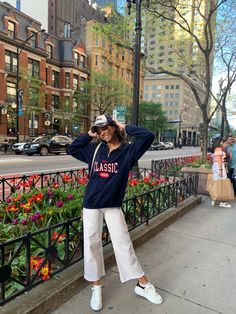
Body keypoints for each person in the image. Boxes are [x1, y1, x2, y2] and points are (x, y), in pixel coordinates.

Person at [68, 114, 163, 311]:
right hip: (92, 204)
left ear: (113, 126)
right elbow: (72, 148)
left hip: (112, 206)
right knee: (92, 245)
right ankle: (96, 286)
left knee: (123, 244)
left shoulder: (128, 151)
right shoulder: (94, 149)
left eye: (106, 127)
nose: (103, 132)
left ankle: (143, 284)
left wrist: (124, 126)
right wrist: (88, 134)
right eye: (99, 129)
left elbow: (148, 136)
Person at [211, 136, 231, 208]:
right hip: (219, 166)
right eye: (222, 141)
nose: (223, 143)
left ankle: (214, 200)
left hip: (215, 166)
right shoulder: (219, 149)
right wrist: (221, 170)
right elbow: (219, 159)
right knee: (222, 183)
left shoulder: (216, 149)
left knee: (216, 183)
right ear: (219, 142)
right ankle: (221, 202)